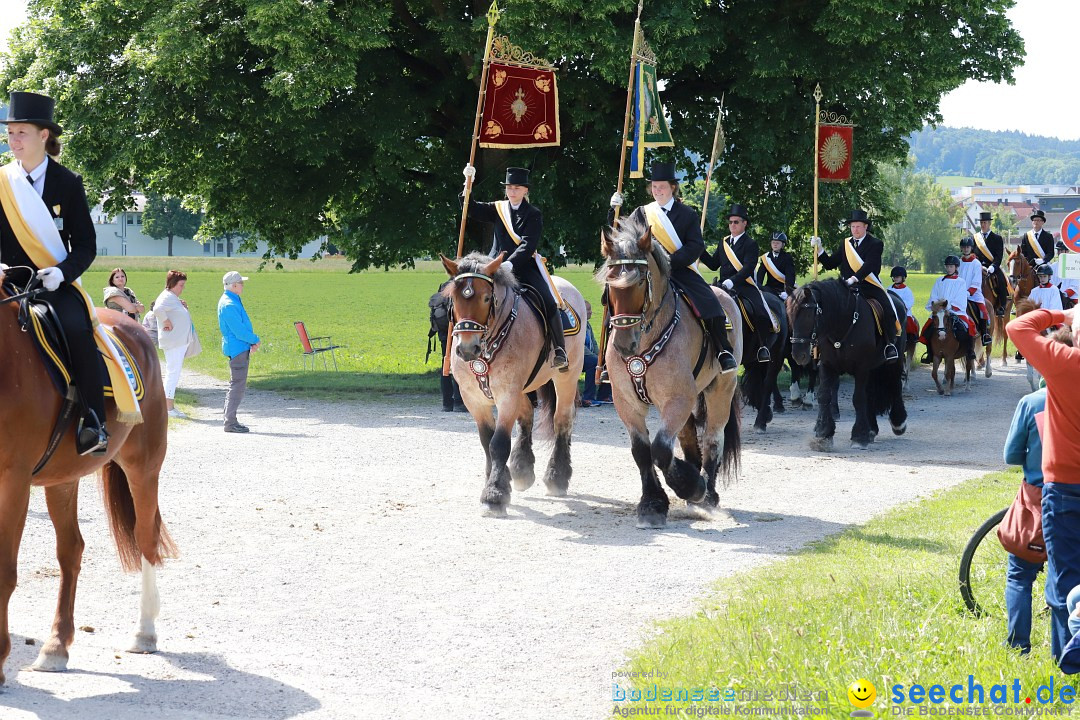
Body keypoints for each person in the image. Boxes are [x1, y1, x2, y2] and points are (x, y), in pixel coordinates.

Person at [0, 91, 107, 454]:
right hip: (8, 281)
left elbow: (86, 245)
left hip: (55, 284)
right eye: (10, 133)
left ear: (43, 135)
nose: (13, 140)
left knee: (78, 330)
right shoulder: (2, 182)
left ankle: (94, 421)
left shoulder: (68, 183)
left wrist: (62, 273)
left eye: (21, 133)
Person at [609, 161, 737, 371]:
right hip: (645, 273)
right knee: (614, 301)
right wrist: (612, 212)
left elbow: (696, 245)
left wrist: (669, 262)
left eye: (662, 186)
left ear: (672, 188)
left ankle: (723, 351)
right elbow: (621, 239)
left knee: (710, 303)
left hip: (679, 271)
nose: (657, 190)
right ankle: (610, 358)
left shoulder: (687, 214)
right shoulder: (640, 213)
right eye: (654, 187)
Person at [1008, 307, 1080, 662]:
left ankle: (1066, 656)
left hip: (1065, 486)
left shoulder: (1065, 362)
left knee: (1065, 577)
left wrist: (1062, 314)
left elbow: (1016, 326)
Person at [460, 165, 567, 370]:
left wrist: (510, 263)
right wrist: (468, 185)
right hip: (493, 266)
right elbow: (471, 208)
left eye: (517, 188)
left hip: (524, 266)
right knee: (468, 294)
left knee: (549, 300)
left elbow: (528, 245)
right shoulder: (497, 208)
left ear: (526, 190)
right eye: (509, 187)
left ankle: (560, 349)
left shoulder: (533, 213)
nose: (512, 191)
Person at [811, 209, 899, 361]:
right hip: (846, 288)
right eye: (853, 227)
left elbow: (870, 265)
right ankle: (821, 346)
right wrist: (819, 250)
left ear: (865, 227)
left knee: (888, 309)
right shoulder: (845, 244)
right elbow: (831, 263)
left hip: (868, 286)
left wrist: (854, 278)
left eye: (858, 226)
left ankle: (889, 344)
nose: (855, 230)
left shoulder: (876, 244)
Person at [1003, 385, 1048, 654]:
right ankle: (1066, 651)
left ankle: (1019, 647)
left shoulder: (1031, 402)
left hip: (1038, 498)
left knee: (1019, 575)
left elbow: (1010, 455)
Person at [700, 203, 774, 363]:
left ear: (744, 223)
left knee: (759, 311)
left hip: (744, 285)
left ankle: (763, 346)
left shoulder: (750, 244)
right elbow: (713, 264)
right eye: (730, 222)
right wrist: (699, 249)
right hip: (722, 286)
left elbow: (748, 268)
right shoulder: (724, 242)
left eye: (736, 222)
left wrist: (731, 282)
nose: (732, 225)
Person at [218, 270, 261, 433]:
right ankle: (230, 422)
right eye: (241, 283)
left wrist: (251, 341)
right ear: (234, 285)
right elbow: (239, 331)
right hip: (237, 348)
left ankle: (230, 419)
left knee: (236, 384)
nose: (243, 286)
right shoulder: (229, 304)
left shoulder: (231, 300)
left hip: (239, 347)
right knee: (237, 385)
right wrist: (255, 339)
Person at [919, 255, 978, 358]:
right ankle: (930, 352)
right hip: (939, 310)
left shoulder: (961, 282)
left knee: (969, 327)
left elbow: (960, 297)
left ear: (956, 267)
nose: (949, 268)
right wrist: (936, 305)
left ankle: (969, 350)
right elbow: (934, 295)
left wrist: (949, 305)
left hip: (955, 311)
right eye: (947, 266)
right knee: (927, 329)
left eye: (951, 266)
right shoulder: (939, 281)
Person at [154, 270, 193, 418]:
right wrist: (166, 321)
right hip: (174, 342)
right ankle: (168, 408)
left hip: (177, 341)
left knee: (174, 372)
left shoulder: (172, 297)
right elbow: (157, 308)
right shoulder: (167, 296)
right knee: (173, 373)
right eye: (181, 285)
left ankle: (169, 406)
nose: (183, 288)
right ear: (173, 284)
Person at [427, 279, 464, 412]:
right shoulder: (463, 284)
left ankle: (447, 403)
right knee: (459, 365)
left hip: (443, 332)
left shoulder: (445, 285)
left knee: (446, 365)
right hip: (458, 331)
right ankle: (459, 402)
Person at [973, 211, 1008, 318]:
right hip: (978, 267)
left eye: (985, 223)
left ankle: (1002, 306)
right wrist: (978, 266)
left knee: (1001, 281)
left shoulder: (997, 238)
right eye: (981, 223)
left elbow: (999, 256)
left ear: (989, 224)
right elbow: (972, 254)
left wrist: (993, 266)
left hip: (992, 266)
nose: (983, 225)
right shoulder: (974, 238)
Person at [959, 235, 992, 346]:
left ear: (971, 248)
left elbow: (976, 282)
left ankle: (984, 334)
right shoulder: (958, 263)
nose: (966, 249)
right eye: (964, 247)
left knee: (983, 310)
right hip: (959, 294)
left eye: (968, 247)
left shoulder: (976, 263)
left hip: (974, 294)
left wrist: (968, 292)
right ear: (961, 249)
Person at [755, 231, 797, 301]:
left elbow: (790, 276)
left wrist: (787, 292)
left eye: (777, 243)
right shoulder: (766, 258)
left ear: (783, 244)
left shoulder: (787, 257)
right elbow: (760, 275)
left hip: (782, 289)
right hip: (769, 288)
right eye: (773, 242)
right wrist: (757, 287)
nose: (775, 245)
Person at [889, 266, 919, 341]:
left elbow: (909, 303)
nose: (895, 278)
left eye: (898, 277)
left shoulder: (907, 290)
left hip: (903, 312)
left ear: (903, 277)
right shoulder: (889, 289)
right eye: (894, 277)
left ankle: (911, 339)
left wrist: (900, 308)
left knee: (909, 324)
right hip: (891, 312)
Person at [580, 301, 599, 407]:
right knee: (594, 362)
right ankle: (588, 397)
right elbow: (579, 345)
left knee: (605, 362)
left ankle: (604, 395)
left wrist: (601, 356)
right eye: (588, 310)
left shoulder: (587, 325)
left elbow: (594, 343)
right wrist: (595, 357)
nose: (591, 312)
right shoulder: (577, 324)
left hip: (588, 356)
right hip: (578, 358)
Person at [1056, 241, 1078, 308]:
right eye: (1058, 250)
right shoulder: (1053, 266)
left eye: (1061, 250)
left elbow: (1075, 286)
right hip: (1055, 297)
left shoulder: (1075, 266)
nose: (1059, 253)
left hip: (1071, 298)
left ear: (1067, 251)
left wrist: (1064, 294)